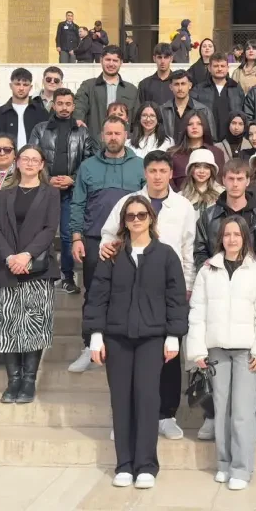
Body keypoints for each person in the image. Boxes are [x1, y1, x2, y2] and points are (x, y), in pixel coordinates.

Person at [84, 195, 187, 489]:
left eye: (142, 215)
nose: (137, 220)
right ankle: (124, 464)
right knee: (121, 400)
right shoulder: (112, 255)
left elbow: (176, 299)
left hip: (152, 338)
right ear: (124, 221)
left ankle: (146, 465)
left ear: (151, 219)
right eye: (131, 216)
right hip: (117, 338)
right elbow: (98, 297)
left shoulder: (166, 255)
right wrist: (95, 335)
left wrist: (173, 336)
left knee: (147, 398)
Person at [95, 151, 199, 441]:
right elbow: (108, 234)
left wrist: (187, 286)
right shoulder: (128, 202)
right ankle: (125, 418)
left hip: (168, 288)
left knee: (168, 352)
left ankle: (166, 414)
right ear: (145, 172)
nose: (157, 176)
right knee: (127, 362)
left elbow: (188, 249)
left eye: (162, 170)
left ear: (170, 174)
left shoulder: (183, 206)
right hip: (130, 286)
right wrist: (106, 248)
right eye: (152, 170)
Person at [187, 216, 256, 491]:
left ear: (245, 237)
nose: (232, 239)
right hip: (216, 350)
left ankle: (241, 468)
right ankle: (224, 463)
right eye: (227, 234)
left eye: (237, 234)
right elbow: (198, 312)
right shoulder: (207, 270)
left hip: (247, 351)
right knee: (221, 408)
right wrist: (197, 349)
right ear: (220, 238)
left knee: (243, 411)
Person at [68, 118, 147, 373]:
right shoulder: (88, 166)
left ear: (126, 135)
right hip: (93, 239)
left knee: (131, 293)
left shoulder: (140, 166)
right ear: (102, 136)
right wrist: (77, 237)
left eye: (117, 133)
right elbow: (77, 203)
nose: (113, 137)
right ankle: (88, 346)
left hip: (131, 240)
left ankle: (124, 346)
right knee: (94, 294)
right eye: (109, 133)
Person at [0, 145, 62, 404]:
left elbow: (50, 228)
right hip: (5, 268)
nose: (30, 163)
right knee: (8, 325)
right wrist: (10, 257)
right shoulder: (4, 194)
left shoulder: (50, 193)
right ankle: (13, 381)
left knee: (34, 326)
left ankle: (29, 381)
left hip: (37, 269)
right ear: (17, 163)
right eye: (25, 159)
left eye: (35, 160)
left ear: (42, 165)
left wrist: (26, 255)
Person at [29, 88, 93, 296]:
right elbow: (33, 157)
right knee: (39, 233)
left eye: (68, 104)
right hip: (44, 190)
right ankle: (39, 273)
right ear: (53, 105)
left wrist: (72, 179)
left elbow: (88, 161)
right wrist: (48, 180)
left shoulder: (82, 132)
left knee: (67, 235)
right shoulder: (40, 129)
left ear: (73, 106)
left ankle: (67, 276)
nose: (64, 108)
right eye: (60, 104)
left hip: (71, 192)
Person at [74, 46, 140, 133]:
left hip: (123, 142)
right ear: (101, 60)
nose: (111, 64)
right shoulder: (88, 86)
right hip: (94, 142)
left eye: (115, 60)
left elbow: (137, 119)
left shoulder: (131, 90)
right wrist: (78, 118)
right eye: (108, 60)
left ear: (121, 63)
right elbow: (79, 105)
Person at [0, 68, 47, 150]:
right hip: (7, 160)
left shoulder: (41, 112)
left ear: (30, 87)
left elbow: (46, 142)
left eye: (25, 85)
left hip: (34, 160)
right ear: (11, 86)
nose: (21, 88)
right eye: (17, 84)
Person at [167, 110, 224, 190]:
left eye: (199, 124)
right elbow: (168, 181)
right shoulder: (173, 154)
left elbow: (220, 181)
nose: (194, 127)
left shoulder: (217, 153)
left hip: (211, 199)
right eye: (190, 124)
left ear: (205, 126)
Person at [191, 54, 246, 131]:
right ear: (209, 68)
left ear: (227, 68)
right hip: (207, 136)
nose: (219, 69)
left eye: (222, 66)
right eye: (216, 66)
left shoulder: (236, 88)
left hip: (231, 137)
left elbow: (243, 114)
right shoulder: (199, 89)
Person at [160, 71, 217, 141]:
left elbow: (212, 139)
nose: (180, 88)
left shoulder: (204, 110)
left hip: (196, 151)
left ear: (190, 85)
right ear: (171, 87)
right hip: (170, 151)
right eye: (176, 84)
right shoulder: (162, 110)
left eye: (183, 84)